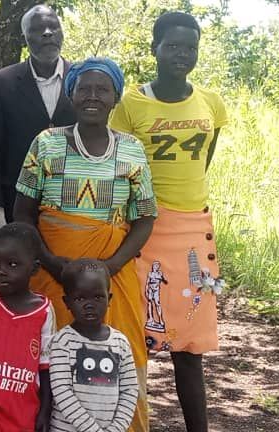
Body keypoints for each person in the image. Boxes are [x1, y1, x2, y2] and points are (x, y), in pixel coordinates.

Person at [13, 57, 155, 431]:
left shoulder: (131, 150)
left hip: (113, 276)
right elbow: (23, 213)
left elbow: (144, 218)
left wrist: (109, 268)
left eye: (102, 89)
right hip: (51, 271)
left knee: (116, 358)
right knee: (50, 358)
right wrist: (51, 263)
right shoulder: (46, 143)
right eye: (85, 89)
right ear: (71, 94)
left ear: (116, 98)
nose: (93, 96)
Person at [108, 12, 228, 432]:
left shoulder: (211, 103)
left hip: (192, 231)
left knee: (189, 347)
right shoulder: (130, 106)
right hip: (141, 229)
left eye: (190, 47)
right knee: (133, 336)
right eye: (173, 46)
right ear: (155, 48)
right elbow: (118, 167)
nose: (182, 54)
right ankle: (130, 423)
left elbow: (203, 160)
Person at [0, 4, 75, 229]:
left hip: (74, 205)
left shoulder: (83, 80)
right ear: (24, 39)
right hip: (17, 207)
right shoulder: (1, 84)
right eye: (37, 29)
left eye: (53, 26)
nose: (47, 33)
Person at [0, 222, 57, 432]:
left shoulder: (44, 311)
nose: (1, 271)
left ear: (34, 268)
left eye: (12, 264)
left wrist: (45, 411)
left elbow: (45, 366)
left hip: (25, 417)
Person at [49, 259, 139, 432]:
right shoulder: (62, 341)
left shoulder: (120, 342)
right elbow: (62, 391)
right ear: (67, 302)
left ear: (109, 298)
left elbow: (130, 390)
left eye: (98, 297)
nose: (89, 305)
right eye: (80, 298)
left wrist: (116, 428)